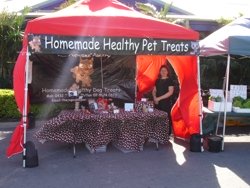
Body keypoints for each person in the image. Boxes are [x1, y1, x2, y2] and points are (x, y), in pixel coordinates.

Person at [152, 65, 174, 135]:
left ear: (167, 72)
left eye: (165, 70)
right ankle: (158, 133)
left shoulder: (170, 80)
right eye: (162, 70)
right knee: (157, 118)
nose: (163, 72)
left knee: (166, 118)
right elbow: (154, 90)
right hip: (157, 103)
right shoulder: (157, 80)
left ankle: (166, 134)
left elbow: (170, 92)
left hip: (166, 103)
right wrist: (155, 97)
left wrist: (158, 98)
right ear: (160, 72)